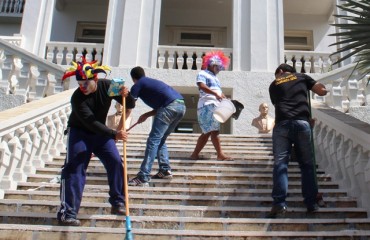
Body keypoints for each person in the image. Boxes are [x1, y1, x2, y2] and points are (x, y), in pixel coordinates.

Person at [56, 57, 135, 226]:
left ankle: (118, 202)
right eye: (79, 83)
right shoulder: (77, 98)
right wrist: (114, 134)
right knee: (75, 168)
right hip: (80, 133)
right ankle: (68, 213)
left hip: (101, 135)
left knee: (116, 162)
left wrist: (126, 95)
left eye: (86, 83)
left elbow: (130, 104)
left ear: (95, 79)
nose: (82, 87)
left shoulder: (108, 86)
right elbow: (90, 122)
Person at [267, 63, 327, 218]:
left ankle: (279, 204)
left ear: (280, 72)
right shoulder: (302, 77)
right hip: (302, 123)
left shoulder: (273, 85)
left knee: (281, 164)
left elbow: (280, 104)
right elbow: (322, 91)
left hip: (282, 125)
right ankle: (311, 203)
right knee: (307, 165)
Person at [126, 66, 186, 186]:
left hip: (169, 107)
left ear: (133, 78)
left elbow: (129, 105)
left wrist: (122, 125)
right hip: (181, 106)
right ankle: (165, 170)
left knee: (153, 140)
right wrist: (147, 114)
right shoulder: (151, 82)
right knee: (160, 139)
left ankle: (143, 176)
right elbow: (166, 104)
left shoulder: (138, 84)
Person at [190, 51, 232, 161]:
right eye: (218, 67)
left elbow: (218, 92)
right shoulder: (202, 73)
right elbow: (201, 86)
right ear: (212, 64)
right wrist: (215, 94)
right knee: (210, 131)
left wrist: (225, 99)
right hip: (207, 105)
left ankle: (199, 154)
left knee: (212, 131)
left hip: (214, 105)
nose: (219, 70)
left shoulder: (216, 78)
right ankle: (217, 154)